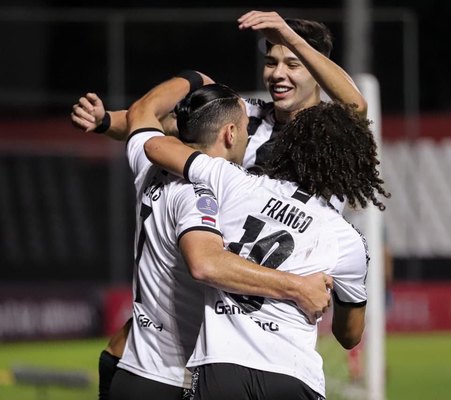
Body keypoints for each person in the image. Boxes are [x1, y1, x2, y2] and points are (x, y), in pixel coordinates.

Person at [70, 10, 367, 398]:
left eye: (293, 62)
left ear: (315, 66)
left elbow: (355, 108)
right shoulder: (246, 117)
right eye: (271, 62)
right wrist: (108, 120)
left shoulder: (332, 144)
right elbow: (169, 125)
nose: (278, 73)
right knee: (136, 341)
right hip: (221, 283)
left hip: (269, 305)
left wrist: (287, 34)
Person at [133, 73, 388, 399]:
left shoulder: (236, 182)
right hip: (294, 376)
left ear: (287, 147)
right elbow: (350, 336)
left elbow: (154, 145)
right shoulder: (349, 241)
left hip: (222, 368)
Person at [90, 73, 333, 400]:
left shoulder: (146, 163)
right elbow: (205, 264)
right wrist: (298, 287)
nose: (250, 136)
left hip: (130, 364)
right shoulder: (201, 193)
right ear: (230, 133)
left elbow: (143, 110)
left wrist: (194, 78)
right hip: (173, 375)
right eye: (247, 127)